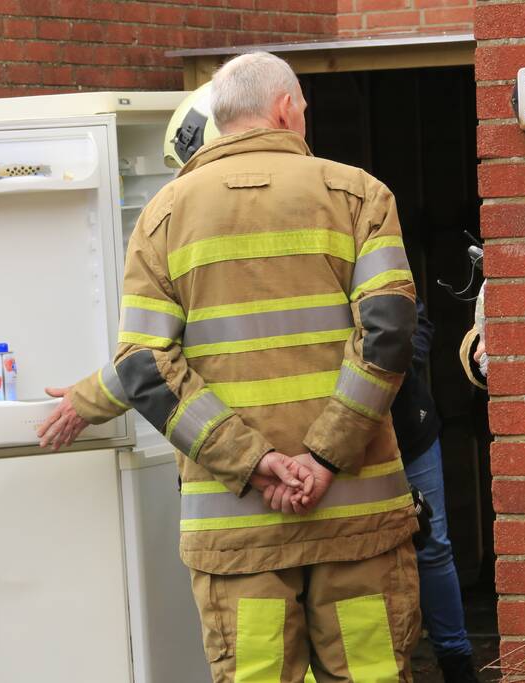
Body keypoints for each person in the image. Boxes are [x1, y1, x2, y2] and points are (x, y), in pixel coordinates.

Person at [39, 52, 421, 682]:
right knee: (373, 673)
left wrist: (255, 463)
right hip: (356, 518)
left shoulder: (163, 217)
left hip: (236, 528)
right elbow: (387, 336)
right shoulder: (360, 196)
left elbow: (143, 365)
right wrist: (323, 458)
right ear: (284, 109)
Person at [395, 301, 479, 682]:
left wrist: (394, 369)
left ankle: (457, 663)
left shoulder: (374, 250)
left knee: (432, 547)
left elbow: (421, 320)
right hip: (337, 440)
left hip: (410, 429)